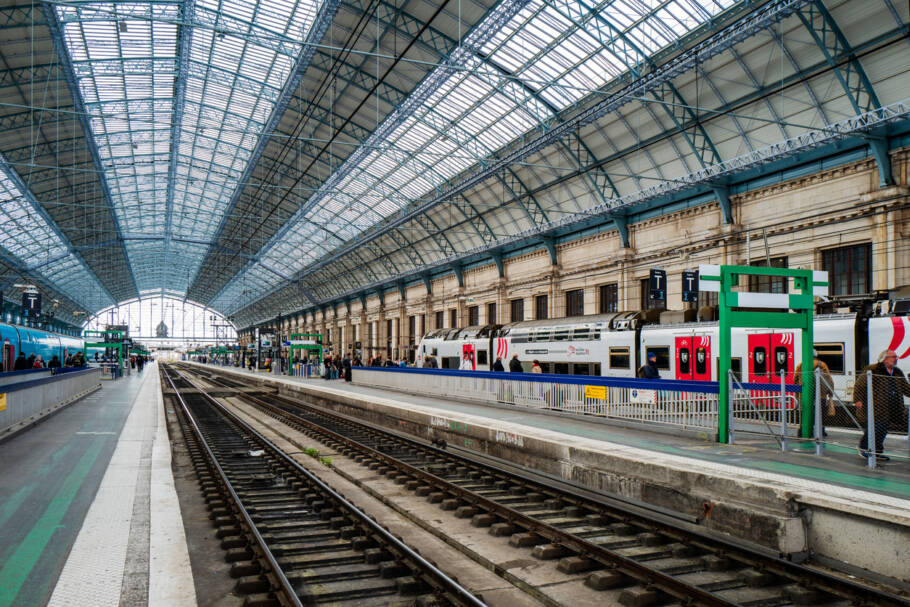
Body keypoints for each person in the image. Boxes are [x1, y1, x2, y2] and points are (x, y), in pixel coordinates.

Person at [853, 349, 910, 461]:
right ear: (885, 359)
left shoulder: (897, 372)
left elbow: (905, 388)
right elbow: (860, 385)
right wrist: (858, 400)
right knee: (876, 428)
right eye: (893, 357)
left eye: (896, 357)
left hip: (892, 406)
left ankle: (876, 452)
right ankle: (864, 448)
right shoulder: (873, 369)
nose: (896, 359)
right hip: (876, 405)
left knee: (883, 429)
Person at [794, 350, 834, 436]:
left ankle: (803, 430)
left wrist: (797, 393)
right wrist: (830, 392)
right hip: (821, 394)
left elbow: (795, 379)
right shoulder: (822, 364)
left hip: (805, 394)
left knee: (805, 413)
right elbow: (828, 379)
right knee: (821, 413)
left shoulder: (801, 365)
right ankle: (821, 431)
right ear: (816, 355)